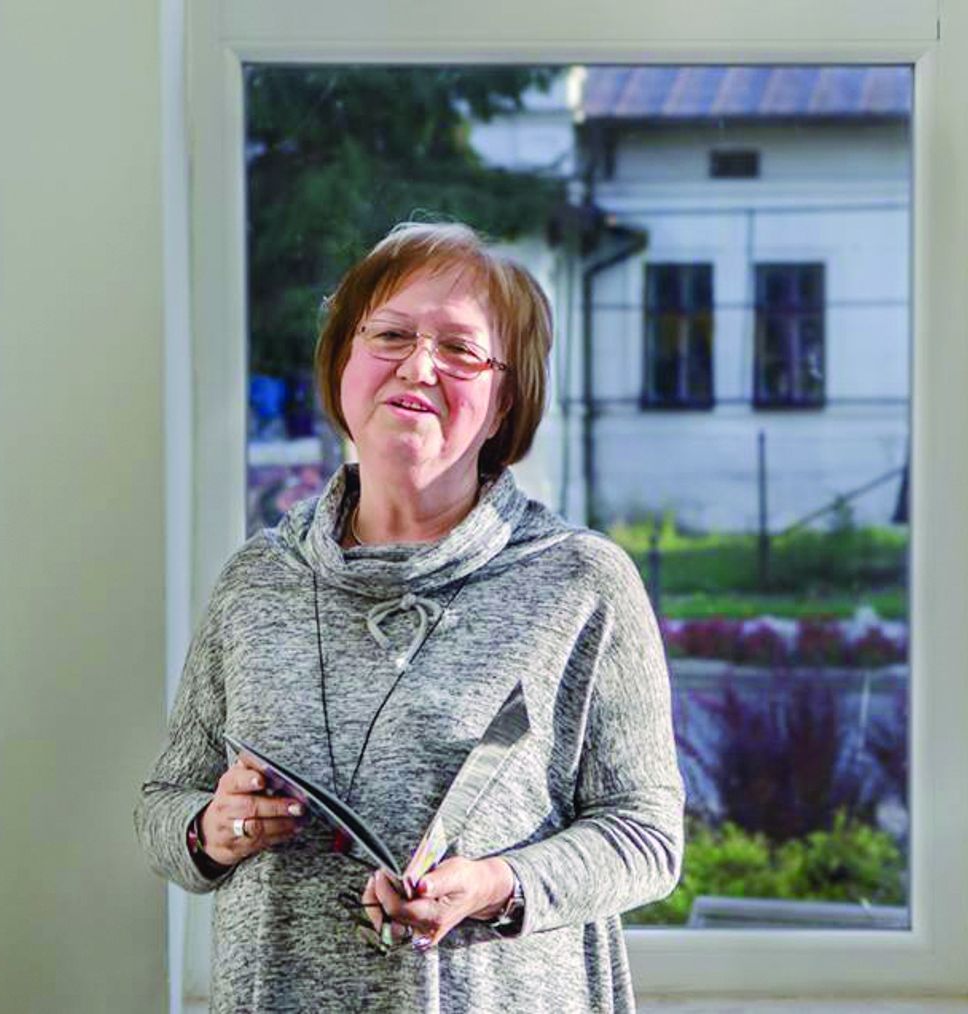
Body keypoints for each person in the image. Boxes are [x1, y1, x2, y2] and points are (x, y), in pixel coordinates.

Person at [134, 220, 685, 1012]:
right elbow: (165, 805)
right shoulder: (257, 582)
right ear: (343, 363)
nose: (419, 366)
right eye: (390, 335)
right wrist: (211, 830)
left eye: (460, 349)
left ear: (504, 401)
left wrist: (496, 884)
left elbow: (648, 836)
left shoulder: (580, 581)